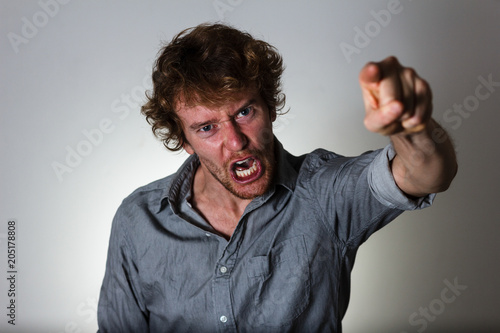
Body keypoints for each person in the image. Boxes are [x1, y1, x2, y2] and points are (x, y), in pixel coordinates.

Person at [97, 23, 457, 332]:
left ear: (269, 107)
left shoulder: (323, 193)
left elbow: (422, 175)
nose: (235, 141)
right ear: (183, 141)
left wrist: (413, 127)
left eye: (244, 111)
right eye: (207, 127)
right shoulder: (138, 219)